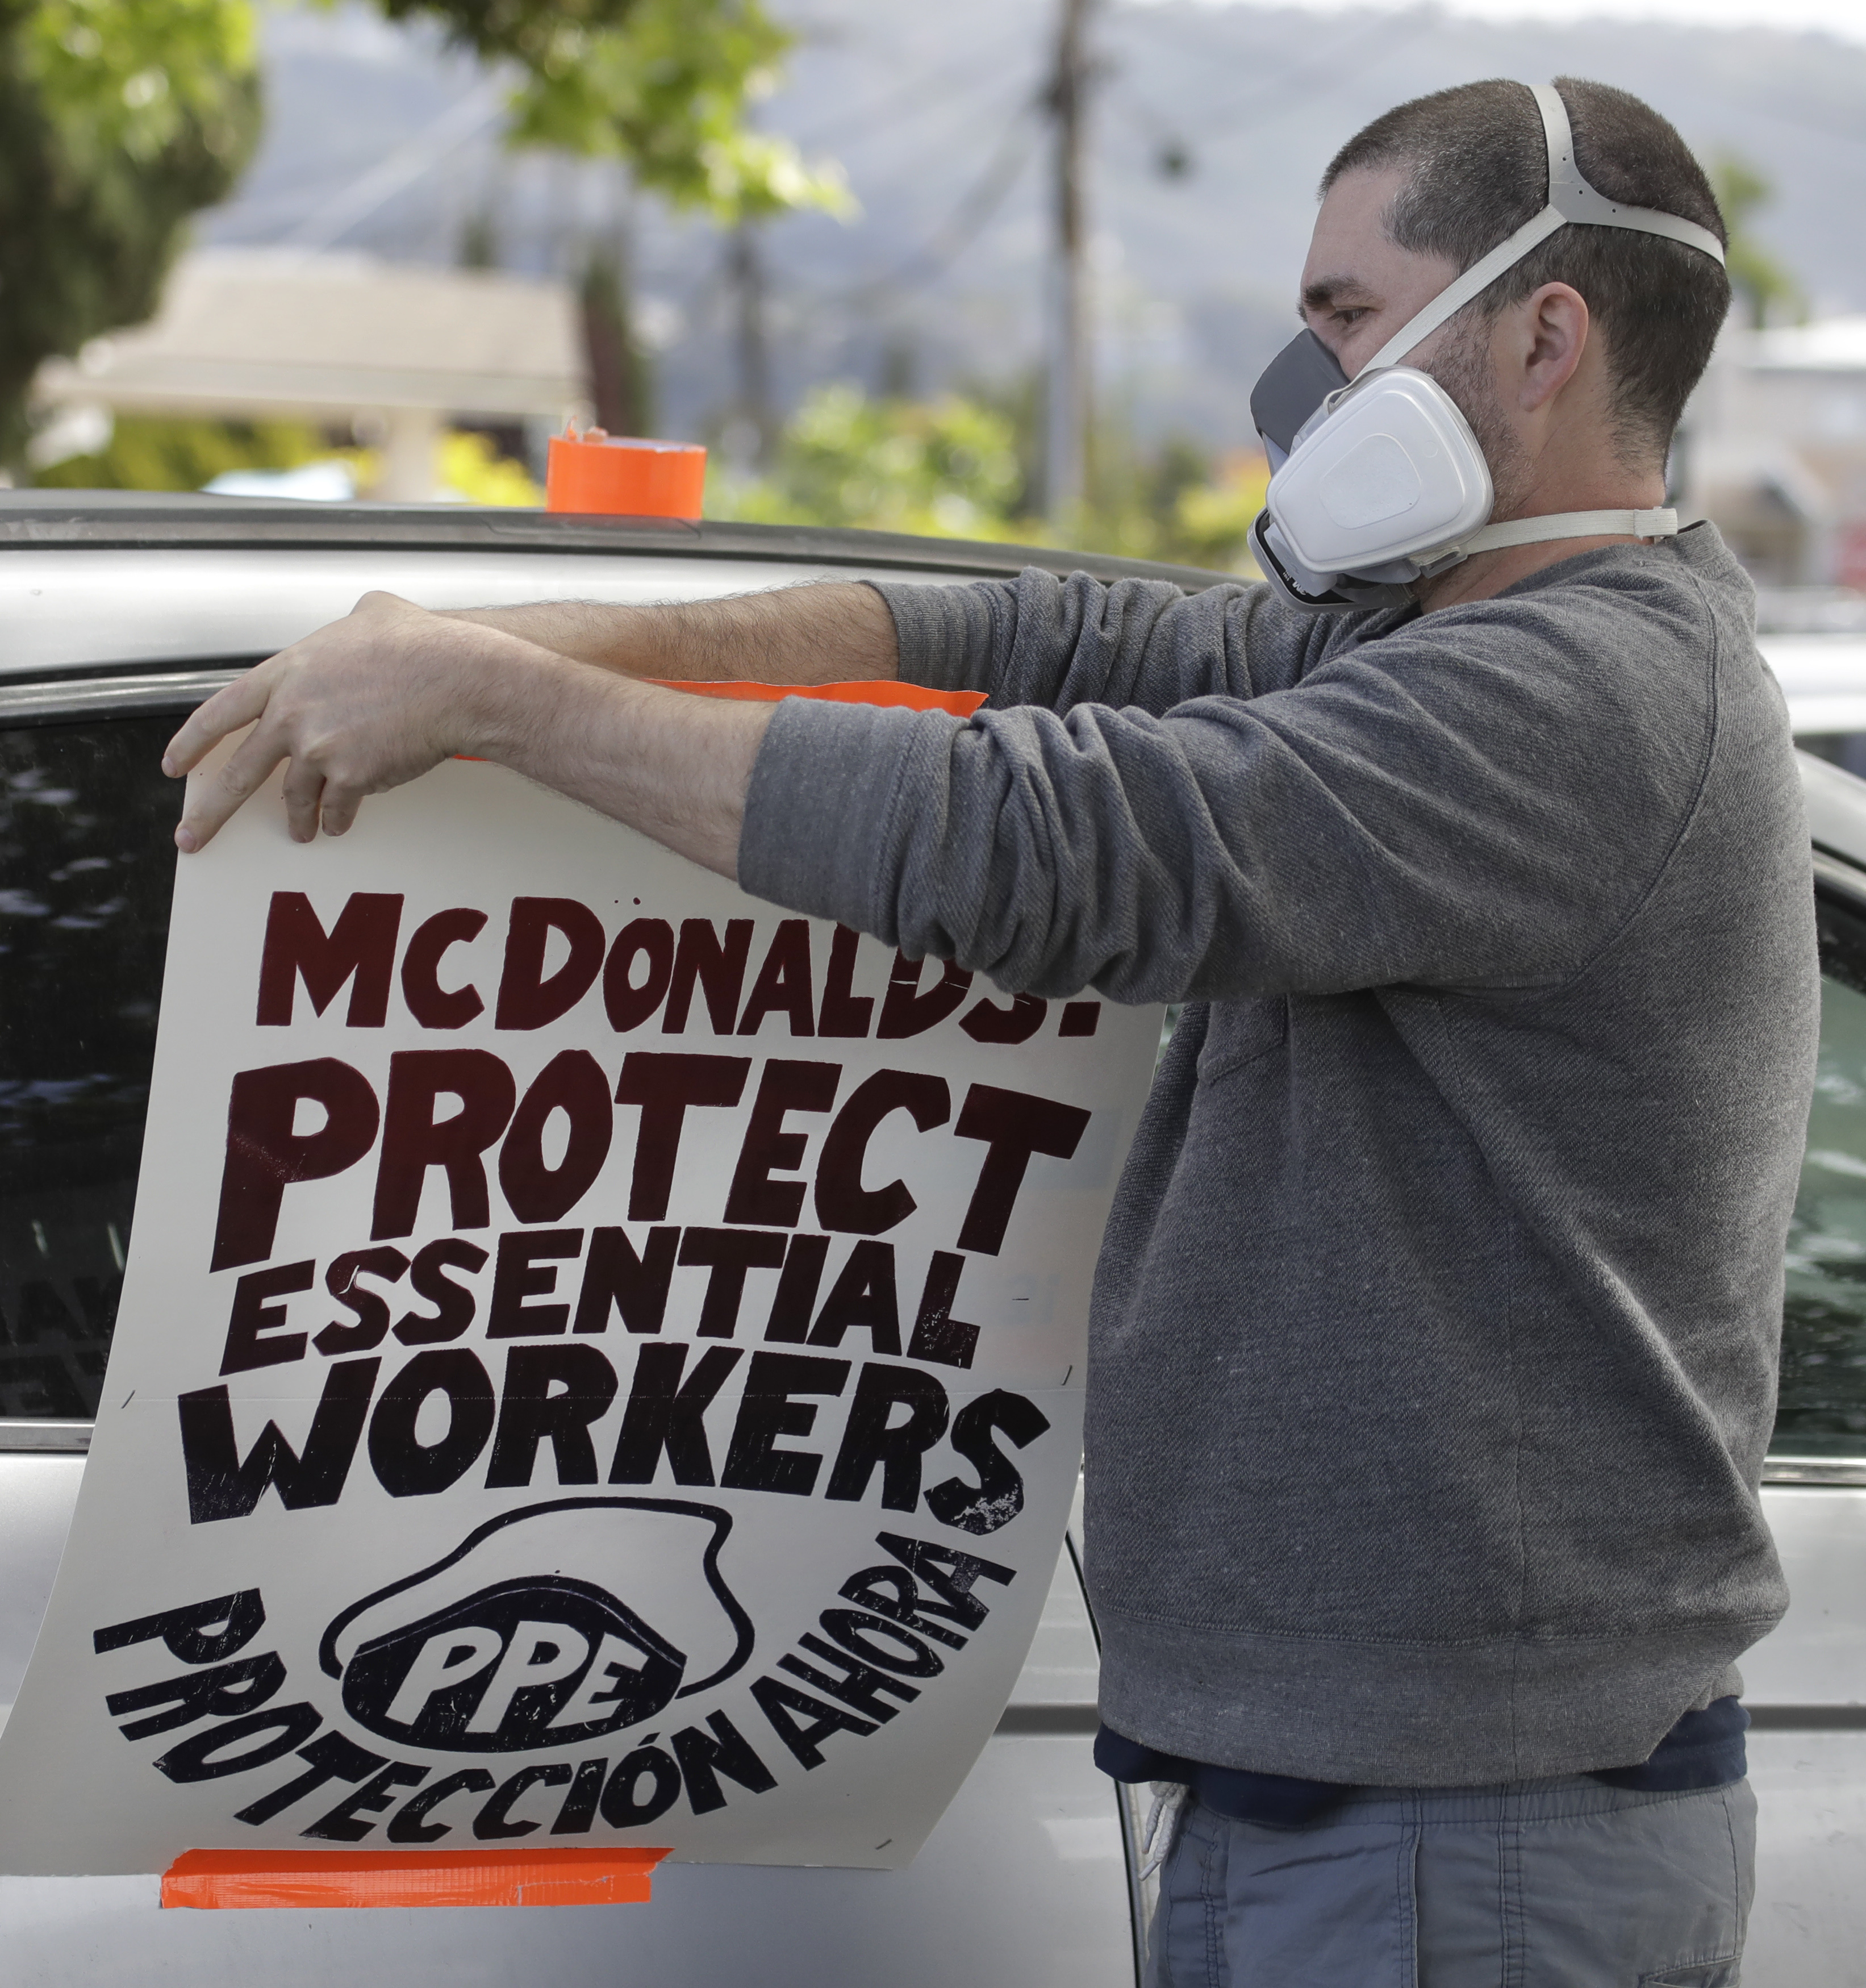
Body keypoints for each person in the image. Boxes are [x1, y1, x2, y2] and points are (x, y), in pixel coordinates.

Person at [164, 76, 1814, 1988]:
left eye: (1350, 319)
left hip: (1460, 1837)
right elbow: (1063, 642)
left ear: (1546, 333)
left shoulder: (1581, 698)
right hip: (1368, 1803)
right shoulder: (1424, 638)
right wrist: (549, 639)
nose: (1306, 390)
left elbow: (1055, 844)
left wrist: (509, 707)